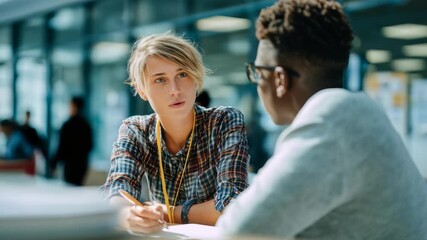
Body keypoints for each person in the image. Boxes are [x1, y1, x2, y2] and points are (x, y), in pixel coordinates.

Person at [217, 0, 427, 239]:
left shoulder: (333, 119)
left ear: (279, 80)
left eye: (257, 72)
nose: (257, 83)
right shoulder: (359, 112)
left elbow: (237, 231)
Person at [100, 32, 250, 234]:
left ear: (195, 77)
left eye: (182, 74)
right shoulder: (136, 130)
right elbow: (117, 192)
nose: (175, 90)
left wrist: (165, 212)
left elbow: (232, 206)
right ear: (142, 90)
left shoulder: (224, 121)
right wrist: (129, 216)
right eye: (160, 80)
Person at [52, 96, 93, 186]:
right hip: (82, 164)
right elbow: (90, 145)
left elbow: (61, 146)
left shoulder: (67, 125)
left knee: (69, 189)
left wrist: (53, 163)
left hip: (69, 165)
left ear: (75, 106)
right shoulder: (86, 125)